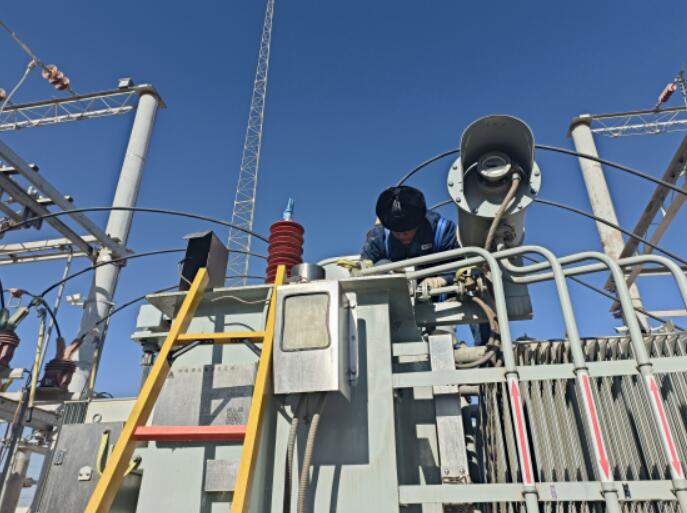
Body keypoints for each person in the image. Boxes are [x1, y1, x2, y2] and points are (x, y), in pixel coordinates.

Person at [361, 185, 490, 345]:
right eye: (397, 231)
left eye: (407, 230)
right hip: (399, 298)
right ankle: (384, 343)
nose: (402, 235)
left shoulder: (443, 230)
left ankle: (488, 348)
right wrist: (382, 272)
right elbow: (363, 270)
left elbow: (463, 264)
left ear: (420, 222)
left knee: (474, 287)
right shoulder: (379, 238)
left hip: (443, 291)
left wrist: (442, 279)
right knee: (381, 266)